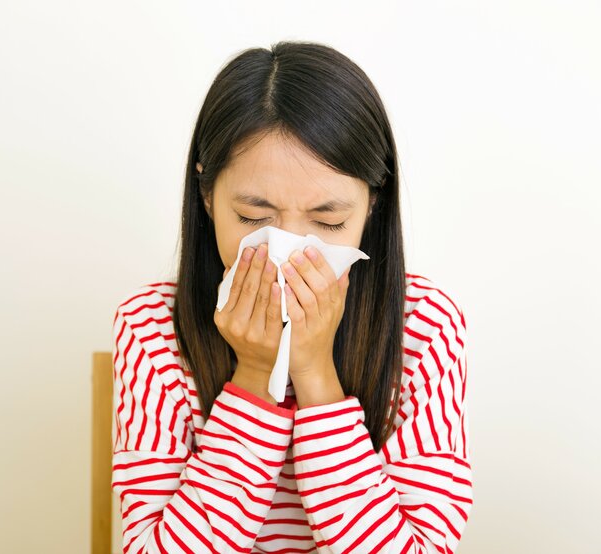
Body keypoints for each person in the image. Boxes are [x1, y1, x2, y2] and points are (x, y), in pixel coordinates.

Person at [111, 40, 472, 553]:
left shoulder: (427, 328)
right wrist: (255, 377)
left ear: (372, 205)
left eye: (329, 221)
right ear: (207, 195)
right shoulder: (149, 330)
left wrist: (316, 373)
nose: (287, 251)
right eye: (254, 218)